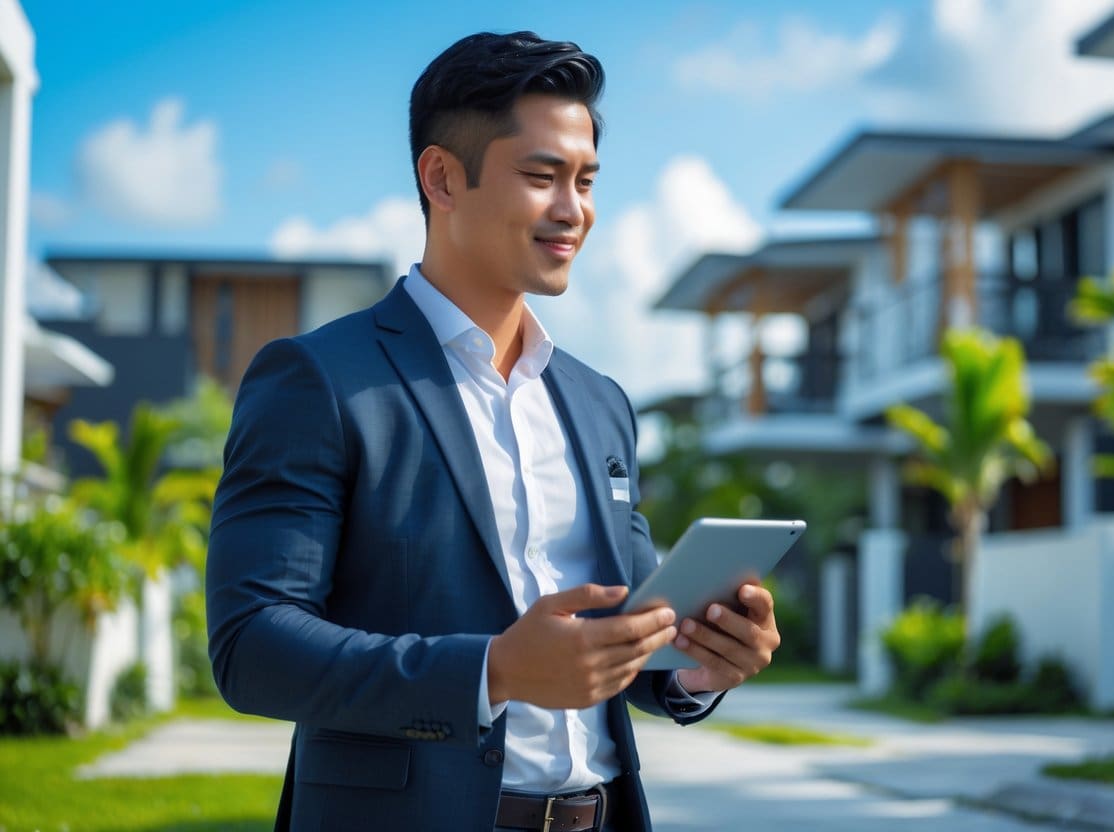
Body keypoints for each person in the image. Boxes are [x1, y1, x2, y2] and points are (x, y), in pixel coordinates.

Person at [206, 30, 780, 832]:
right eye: (541, 176)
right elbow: (253, 646)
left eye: (584, 180)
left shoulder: (599, 401)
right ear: (441, 178)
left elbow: (628, 631)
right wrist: (490, 670)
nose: (572, 211)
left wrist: (699, 666)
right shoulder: (319, 380)